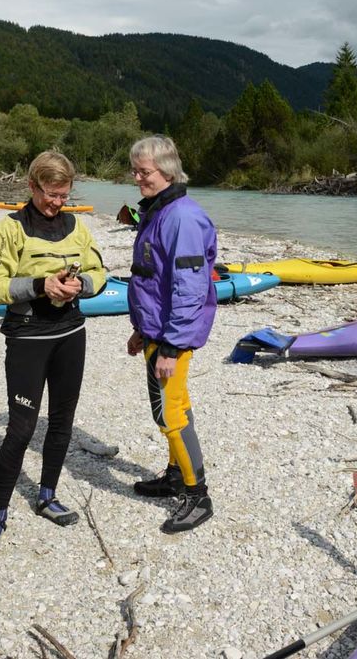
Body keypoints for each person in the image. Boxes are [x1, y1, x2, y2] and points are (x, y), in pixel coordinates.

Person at [0, 150, 105, 555]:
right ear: (31, 187)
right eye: (50, 195)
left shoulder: (77, 227)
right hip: (28, 338)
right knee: (22, 428)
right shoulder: (5, 231)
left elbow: (100, 272)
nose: (57, 203)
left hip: (71, 334)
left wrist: (80, 287)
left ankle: (47, 495)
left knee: (62, 421)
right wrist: (39, 286)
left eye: (64, 195)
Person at [125, 135, 218, 534]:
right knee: (171, 407)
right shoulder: (158, 212)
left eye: (143, 172)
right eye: (136, 171)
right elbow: (153, 279)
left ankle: (198, 497)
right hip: (156, 333)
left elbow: (189, 287)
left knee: (172, 413)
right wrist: (141, 331)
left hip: (171, 339)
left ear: (166, 171)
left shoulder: (181, 218)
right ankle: (175, 476)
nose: (136, 178)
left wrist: (172, 345)